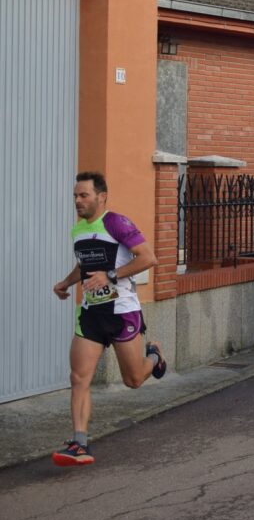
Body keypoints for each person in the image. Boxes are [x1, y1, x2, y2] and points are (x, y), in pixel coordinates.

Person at [51, 172, 167, 466]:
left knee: (134, 380)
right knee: (78, 377)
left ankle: (154, 357)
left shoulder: (116, 223)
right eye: (75, 196)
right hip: (91, 313)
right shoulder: (78, 230)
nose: (77, 201)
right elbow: (85, 264)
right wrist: (67, 282)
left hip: (122, 311)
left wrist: (110, 275)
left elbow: (148, 258)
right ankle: (80, 444)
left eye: (83, 195)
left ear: (101, 197)